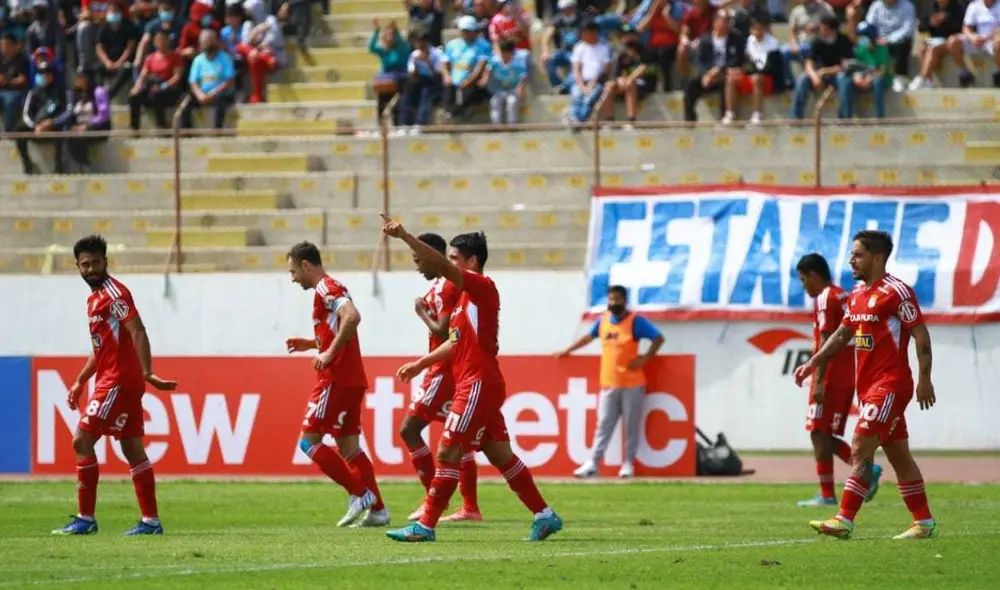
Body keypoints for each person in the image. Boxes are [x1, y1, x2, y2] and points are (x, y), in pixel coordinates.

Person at [381, 223, 563, 543]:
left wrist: (406, 237)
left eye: (454, 258)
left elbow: (437, 265)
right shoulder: (466, 300)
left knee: (448, 448)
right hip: (478, 382)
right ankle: (544, 515)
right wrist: (420, 363)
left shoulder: (482, 286)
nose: (448, 263)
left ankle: (425, 525)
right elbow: (454, 342)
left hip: (477, 383)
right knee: (499, 454)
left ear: (472, 261)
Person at [794, 230, 938, 540]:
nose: (851, 260)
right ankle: (924, 522)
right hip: (869, 387)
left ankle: (844, 518)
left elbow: (920, 333)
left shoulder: (896, 291)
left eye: (857, 254)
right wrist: (813, 362)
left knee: (860, 445)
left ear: (877, 257)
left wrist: (925, 379)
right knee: (899, 455)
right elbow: (842, 335)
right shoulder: (858, 294)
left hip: (891, 384)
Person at [52, 234, 177, 536]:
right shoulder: (94, 298)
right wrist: (81, 381)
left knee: (82, 441)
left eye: (96, 263)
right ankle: (151, 521)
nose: (91, 269)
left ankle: (85, 518)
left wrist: (149, 372)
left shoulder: (114, 294)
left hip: (117, 381)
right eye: (85, 264)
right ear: (78, 267)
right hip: (116, 379)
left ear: (106, 262)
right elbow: (102, 349)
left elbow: (138, 331)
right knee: (132, 447)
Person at [284, 242, 389, 528]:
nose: (293, 278)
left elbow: (352, 317)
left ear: (306, 265)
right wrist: (312, 344)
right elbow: (339, 325)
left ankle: (359, 493)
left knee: (308, 442)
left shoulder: (325, 287)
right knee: (349, 446)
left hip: (336, 377)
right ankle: (378, 510)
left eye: (294, 272)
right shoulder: (334, 288)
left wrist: (329, 354)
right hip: (352, 377)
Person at [400, 232, 483, 524]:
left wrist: (422, 313)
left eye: (419, 259)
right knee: (466, 442)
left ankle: (431, 499)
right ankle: (469, 507)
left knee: (409, 430)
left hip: (444, 371)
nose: (417, 266)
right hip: (452, 368)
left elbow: (443, 332)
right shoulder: (442, 285)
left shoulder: (448, 287)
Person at [795, 253, 884, 507]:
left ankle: (831, 491)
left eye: (803, 280)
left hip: (830, 374)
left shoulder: (825, 296)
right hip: (846, 374)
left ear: (814, 275)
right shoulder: (843, 295)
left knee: (817, 433)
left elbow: (825, 338)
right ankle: (865, 471)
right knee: (823, 434)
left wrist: (819, 379)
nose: (804, 286)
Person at [556, 285, 664, 479]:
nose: (613, 303)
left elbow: (658, 338)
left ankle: (628, 464)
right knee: (604, 424)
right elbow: (588, 337)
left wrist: (645, 359)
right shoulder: (603, 321)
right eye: (611, 299)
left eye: (617, 300)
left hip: (632, 383)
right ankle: (593, 463)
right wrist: (568, 350)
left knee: (631, 426)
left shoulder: (635, 321)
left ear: (624, 300)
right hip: (609, 383)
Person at [682, 9, 745, 124]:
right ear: (715, 22)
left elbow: (737, 59)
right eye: (724, 20)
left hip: (724, 74)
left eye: (728, 21)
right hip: (708, 74)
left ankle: (725, 118)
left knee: (726, 84)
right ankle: (690, 120)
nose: (726, 24)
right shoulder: (705, 40)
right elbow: (699, 61)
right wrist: (706, 74)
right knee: (691, 86)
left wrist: (720, 69)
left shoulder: (736, 38)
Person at [789, 13, 853, 120]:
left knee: (844, 80)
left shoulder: (844, 41)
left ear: (832, 29)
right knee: (802, 79)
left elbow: (845, 65)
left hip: (836, 74)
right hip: (818, 74)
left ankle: (845, 117)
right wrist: (814, 76)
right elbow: (809, 63)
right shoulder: (815, 41)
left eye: (823, 28)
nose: (820, 30)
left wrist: (826, 71)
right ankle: (795, 117)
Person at [14, 60, 68, 174]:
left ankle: (59, 164)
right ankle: (27, 163)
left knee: (64, 129)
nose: (43, 76)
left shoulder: (61, 92)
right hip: (36, 129)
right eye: (41, 74)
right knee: (19, 129)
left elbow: (66, 112)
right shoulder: (33, 92)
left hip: (53, 127)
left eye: (46, 74)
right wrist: (35, 125)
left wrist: (52, 122)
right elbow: (26, 114)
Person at [600, 22, 656, 128]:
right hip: (624, 85)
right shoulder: (619, 51)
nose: (628, 37)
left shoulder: (644, 50)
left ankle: (631, 121)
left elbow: (643, 68)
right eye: (625, 35)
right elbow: (615, 73)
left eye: (631, 34)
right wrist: (619, 79)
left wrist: (629, 79)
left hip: (643, 85)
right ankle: (609, 120)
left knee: (631, 84)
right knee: (609, 86)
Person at [128, 28, 183, 131]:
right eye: (157, 40)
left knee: (156, 93)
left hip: (168, 89)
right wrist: (137, 87)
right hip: (153, 87)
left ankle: (161, 124)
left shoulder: (175, 56)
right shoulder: (150, 58)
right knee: (134, 96)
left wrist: (163, 86)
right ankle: (134, 127)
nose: (160, 43)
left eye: (162, 40)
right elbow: (143, 75)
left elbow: (177, 77)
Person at [180, 28, 235, 130]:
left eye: (207, 41)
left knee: (222, 103)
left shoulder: (225, 58)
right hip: (203, 94)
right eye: (202, 41)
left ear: (215, 41)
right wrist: (200, 95)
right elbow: (193, 82)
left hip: (220, 93)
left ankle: (217, 131)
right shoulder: (198, 60)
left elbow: (229, 81)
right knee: (185, 103)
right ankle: (187, 132)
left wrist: (212, 94)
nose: (203, 44)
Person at [442, 15, 491, 121]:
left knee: (470, 93)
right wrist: (447, 76)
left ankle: (460, 111)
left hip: (473, 81)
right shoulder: (452, 45)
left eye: (469, 30)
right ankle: (450, 112)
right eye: (464, 30)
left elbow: (481, 66)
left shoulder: (483, 45)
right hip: (454, 81)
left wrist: (469, 81)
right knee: (447, 90)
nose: (466, 33)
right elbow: (445, 62)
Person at [908, 0, 965, 90]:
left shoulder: (957, 7)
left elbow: (960, 27)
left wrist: (945, 20)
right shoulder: (929, 6)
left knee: (933, 49)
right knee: (922, 48)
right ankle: (929, 81)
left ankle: (922, 78)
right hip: (934, 40)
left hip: (951, 41)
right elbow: (921, 27)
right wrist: (931, 23)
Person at [842, 21, 890, 119]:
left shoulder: (882, 49)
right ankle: (846, 116)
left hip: (878, 78)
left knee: (877, 82)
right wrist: (857, 77)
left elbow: (882, 70)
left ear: (872, 37)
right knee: (845, 81)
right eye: (859, 37)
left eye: (864, 37)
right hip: (862, 77)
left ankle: (879, 116)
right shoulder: (859, 49)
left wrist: (870, 78)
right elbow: (855, 67)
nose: (861, 39)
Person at [65, 71, 110, 171]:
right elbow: (71, 112)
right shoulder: (74, 94)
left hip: (98, 127)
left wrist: (87, 125)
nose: (76, 80)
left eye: (80, 77)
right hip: (79, 126)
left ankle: (85, 165)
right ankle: (81, 163)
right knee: (67, 135)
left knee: (80, 136)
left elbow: (104, 115)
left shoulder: (98, 92)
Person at [369, 19, 409, 127]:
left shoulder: (402, 48)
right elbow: (371, 47)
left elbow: (401, 42)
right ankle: (381, 126)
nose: (390, 36)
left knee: (399, 102)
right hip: (388, 80)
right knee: (381, 101)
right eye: (388, 34)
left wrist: (395, 30)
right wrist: (377, 31)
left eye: (392, 34)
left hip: (401, 79)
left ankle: (399, 125)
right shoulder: (384, 51)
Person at [95, 2, 138, 99]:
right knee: (97, 68)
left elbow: (130, 48)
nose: (113, 14)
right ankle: (97, 95)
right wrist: (107, 62)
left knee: (126, 69)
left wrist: (119, 63)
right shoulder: (103, 27)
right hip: (109, 62)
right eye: (111, 12)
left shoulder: (129, 26)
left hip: (124, 62)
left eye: (116, 11)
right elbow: (99, 47)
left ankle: (109, 95)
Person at [482, 38, 528, 125]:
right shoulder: (495, 61)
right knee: (495, 103)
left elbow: (523, 77)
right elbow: (488, 69)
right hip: (499, 90)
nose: (503, 55)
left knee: (512, 102)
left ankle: (512, 126)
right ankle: (496, 126)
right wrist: (485, 79)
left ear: (511, 53)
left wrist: (520, 88)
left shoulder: (518, 63)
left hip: (512, 90)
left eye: (506, 52)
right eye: (502, 52)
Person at [0, 31, 29, 132]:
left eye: (7, 45)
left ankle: (8, 131)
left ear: (15, 46)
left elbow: (22, 79)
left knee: (9, 101)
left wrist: (7, 81)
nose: (4, 48)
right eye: (2, 45)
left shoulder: (22, 59)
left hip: (16, 92)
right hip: (2, 90)